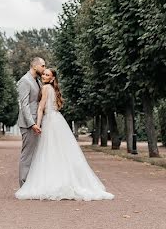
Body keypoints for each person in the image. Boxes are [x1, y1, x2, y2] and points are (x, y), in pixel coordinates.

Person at [15, 68, 114, 201]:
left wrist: (37, 125)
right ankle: (62, 180)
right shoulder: (53, 89)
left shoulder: (45, 88)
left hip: (50, 121)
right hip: (58, 120)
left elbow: (40, 108)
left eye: (47, 75)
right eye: (44, 74)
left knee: (49, 152)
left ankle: (52, 182)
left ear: (52, 78)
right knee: (60, 152)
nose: (44, 76)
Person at [16, 57, 46, 187]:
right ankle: (24, 184)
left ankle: (32, 184)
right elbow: (24, 105)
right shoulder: (25, 81)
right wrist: (32, 124)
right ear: (35, 66)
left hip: (38, 122)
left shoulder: (37, 81)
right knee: (27, 155)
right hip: (29, 124)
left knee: (36, 154)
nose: (44, 69)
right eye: (43, 66)